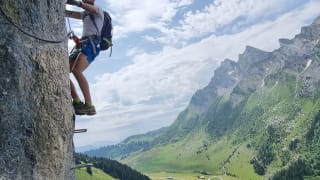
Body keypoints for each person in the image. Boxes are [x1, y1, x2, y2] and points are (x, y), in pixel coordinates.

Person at [65, 0, 104, 115]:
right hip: (83, 43)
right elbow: (66, 13)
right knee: (63, 72)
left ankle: (89, 105)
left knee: (77, 70)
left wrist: (76, 3)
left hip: (92, 44)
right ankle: (76, 101)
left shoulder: (98, 10)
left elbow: (94, 9)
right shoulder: (84, 14)